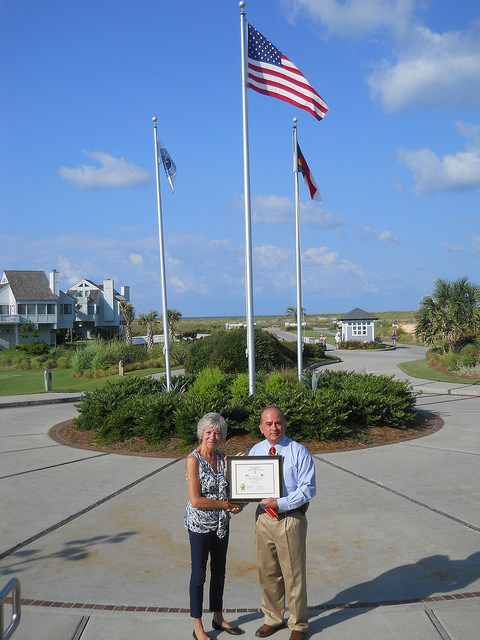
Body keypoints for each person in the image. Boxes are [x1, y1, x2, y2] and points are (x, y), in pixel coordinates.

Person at [249, 407, 316, 640]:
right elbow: (248, 484)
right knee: (267, 571)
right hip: (263, 518)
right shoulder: (256, 450)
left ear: (284, 425)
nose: (274, 428)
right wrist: (237, 502)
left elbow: (308, 488)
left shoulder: (298, 451)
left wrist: (281, 503)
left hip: (289, 519)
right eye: (268, 424)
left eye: (278, 423)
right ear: (261, 427)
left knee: (293, 574)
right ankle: (273, 618)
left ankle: (298, 625)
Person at [185, 413, 244, 639]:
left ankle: (218, 617)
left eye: (217, 433)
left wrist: (238, 470)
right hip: (199, 525)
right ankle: (197, 624)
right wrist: (225, 504)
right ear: (201, 434)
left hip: (220, 524)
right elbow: (196, 500)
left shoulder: (222, 458)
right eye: (209, 432)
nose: (213, 436)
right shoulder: (193, 460)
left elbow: (230, 490)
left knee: (219, 571)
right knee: (199, 574)